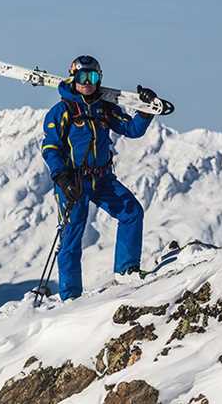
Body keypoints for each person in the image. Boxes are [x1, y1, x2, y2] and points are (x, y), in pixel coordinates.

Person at [40, 55, 158, 301]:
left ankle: (126, 270)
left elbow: (132, 129)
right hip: (73, 182)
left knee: (132, 213)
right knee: (72, 236)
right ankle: (71, 297)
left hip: (102, 178)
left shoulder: (105, 109)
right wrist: (61, 177)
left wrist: (146, 110)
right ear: (73, 77)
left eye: (93, 77)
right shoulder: (62, 111)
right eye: (83, 76)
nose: (88, 82)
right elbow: (50, 147)